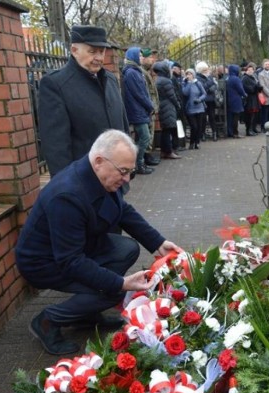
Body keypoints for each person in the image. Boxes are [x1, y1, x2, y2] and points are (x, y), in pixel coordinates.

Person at [16, 130, 182, 355]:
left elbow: (123, 210)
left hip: (76, 248)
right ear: (99, 161)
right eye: (123, 171)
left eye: (130, 172)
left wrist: (158, 243)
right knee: (112, 291)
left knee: (126, 249)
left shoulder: (95, 176)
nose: (126, 179)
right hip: (45, 262)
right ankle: (47, 321)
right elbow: (70, 261)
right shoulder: (67, 196)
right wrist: (119, 283)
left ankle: (86, 313)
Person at [38, 25, 129, 177]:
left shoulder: (110, 79)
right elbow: (56, 146)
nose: (99, 57)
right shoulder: (56, 84)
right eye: (92, 51)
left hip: (115, 177)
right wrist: (67, 186)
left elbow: (122, 122)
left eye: (101, 51)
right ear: (74, 50)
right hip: (84, 182)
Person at [122, 47, 156, 174]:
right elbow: (140, 94)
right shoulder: (132, 73)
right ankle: (138, 164)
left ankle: (137, 164)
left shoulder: (135, 71)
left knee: (140, 139)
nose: (142, 57)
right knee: (145, 138)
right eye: (140, 55)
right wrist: (150, 106)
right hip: (137, 111)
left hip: (139, 110)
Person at [152, 61, 182, 160]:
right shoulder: (166, 81)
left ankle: (164, 151)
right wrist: (177, 105)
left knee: (165, 130)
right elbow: (172, 96)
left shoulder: (157, 80)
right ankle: (168, 151)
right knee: (168, 130)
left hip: (162, 106)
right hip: (168, 107)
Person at [139, 48, 161, 165]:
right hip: (147, 108)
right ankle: (146, 157)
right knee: (147, 134)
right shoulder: (142, 72)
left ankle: (148, 156)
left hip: (150, 107)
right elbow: (146, 92)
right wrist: (151, 106)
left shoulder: (147, 72)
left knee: (150, 133)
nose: (152, 60)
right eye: (149, 57)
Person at [181, 68, 207, 150]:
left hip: (199, 108)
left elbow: (204, 94)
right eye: (187, 74)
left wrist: (199, 99)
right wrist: (189, 83)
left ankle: (197, 142)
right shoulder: (184, 84)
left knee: (199, 126)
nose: (189, 75)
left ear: (193, 75)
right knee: (194, 126)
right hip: (190, 108)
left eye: (190, 74)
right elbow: (185, 93)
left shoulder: (198, 83)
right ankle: (192, 142)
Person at [196, 61, 219, 141]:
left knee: (212, 117)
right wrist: (210, 83)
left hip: (211, 100)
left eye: (207, 70)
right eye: (205, 70)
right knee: (203, 118)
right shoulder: (198, 78)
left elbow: (214, 86)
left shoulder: (209, 77)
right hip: (204, 100)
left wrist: (212, 87)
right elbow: (203, 87)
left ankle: (214, 133)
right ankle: (202, 134)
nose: (207, 72)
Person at [226, 64, 247, 138]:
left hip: (229, 99)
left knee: (230, 117)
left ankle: (230, 131)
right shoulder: (236, 79)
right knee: (236, 116)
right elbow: (240, 89)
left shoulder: (228, 78)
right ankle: (235, 133)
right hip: (236, 99)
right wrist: (245, 95)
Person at [241, 62, 262, 136]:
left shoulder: (253, 77)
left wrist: (259, 87)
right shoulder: (244, 78)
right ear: (246, 70)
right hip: (249, 99)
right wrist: (255, 87)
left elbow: (257, 86)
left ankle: (253, 128)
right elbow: (247, 89)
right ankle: (249, 130)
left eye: (252, 70)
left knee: (255, 115)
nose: (251, 71)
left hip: (255, 98)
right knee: (250, 116)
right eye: (249, 70)